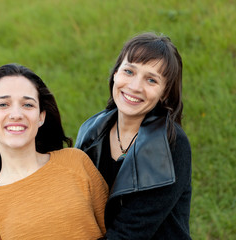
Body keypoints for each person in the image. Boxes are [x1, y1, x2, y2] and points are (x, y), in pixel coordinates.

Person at [0, 63, 108, 240]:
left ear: (41, 117)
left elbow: (117, 231)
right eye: (3, 104)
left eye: (27, 105)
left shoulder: (75, 161)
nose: (16, 114)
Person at [75, 32, 192, 239]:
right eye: (129, 71)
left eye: (151, 80)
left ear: (164, 93)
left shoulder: (170, 144)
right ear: (115, 74)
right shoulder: (90, 132)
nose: (135, 87)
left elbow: (129, 233)